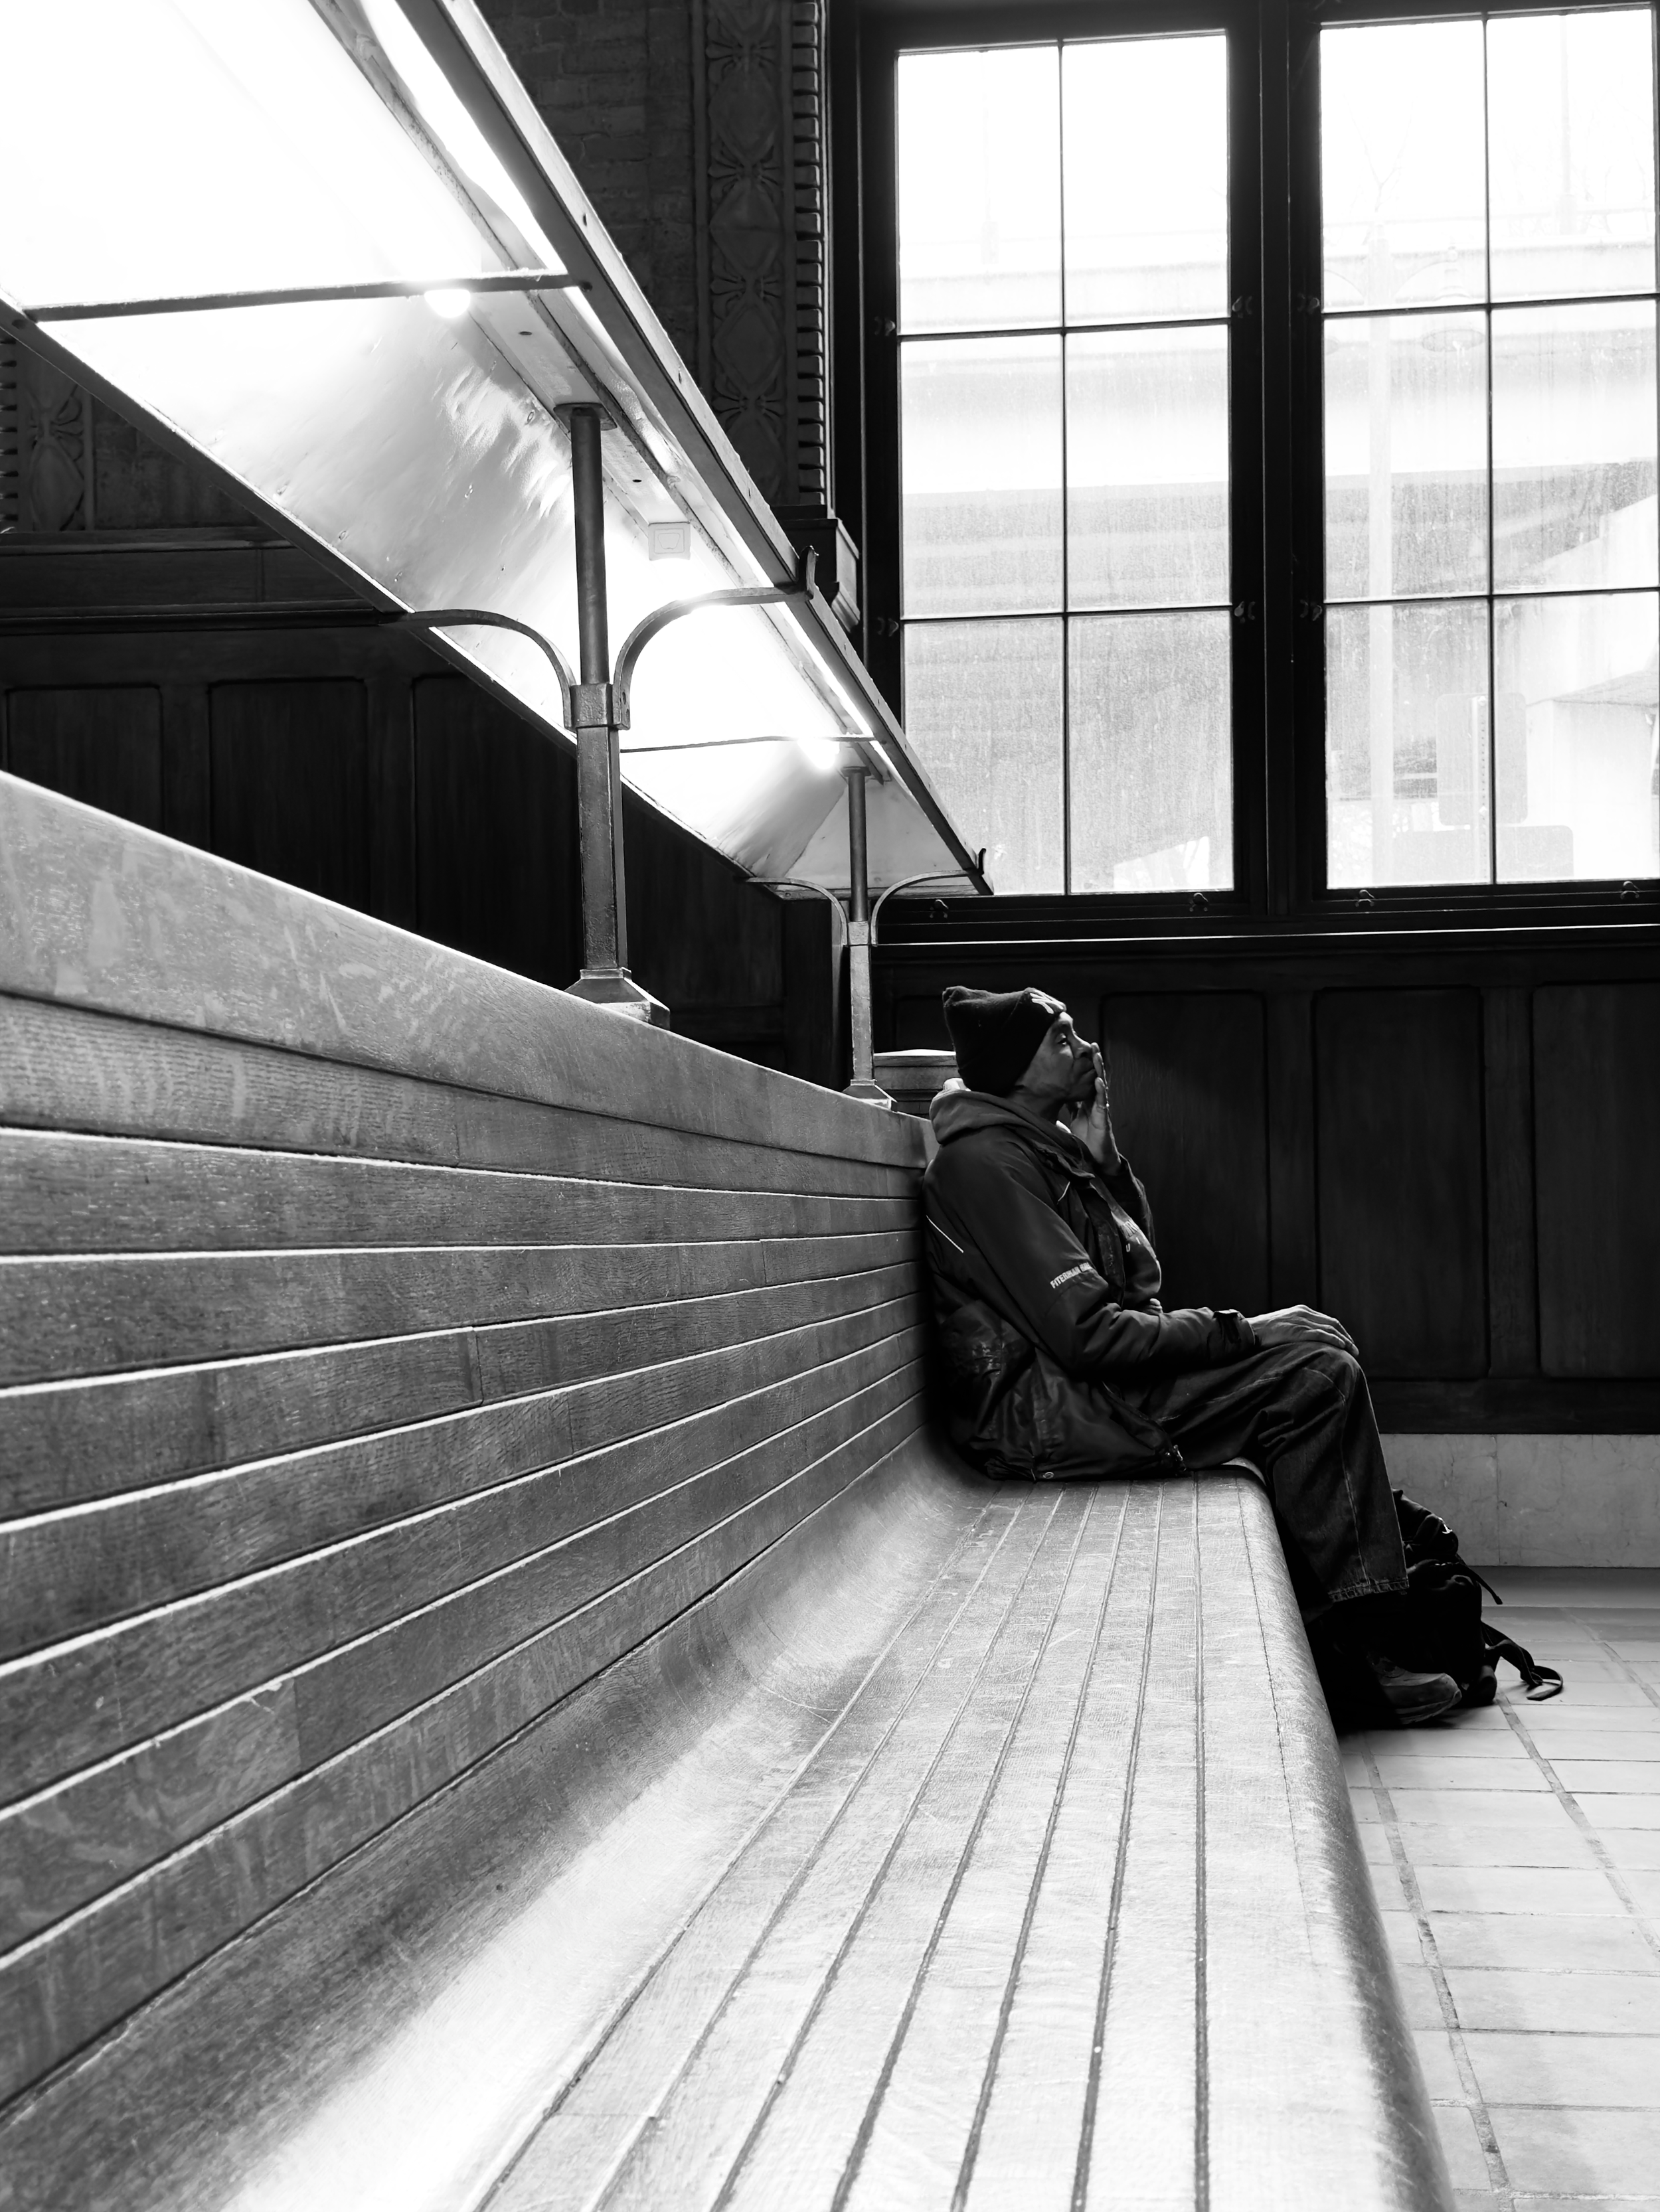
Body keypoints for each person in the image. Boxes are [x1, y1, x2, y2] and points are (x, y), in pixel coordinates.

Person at [924, 983, 1459, 1725]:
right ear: (1016, 1070)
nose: (1087, 1049)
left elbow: (1134, 1279)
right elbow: (1093, 1335)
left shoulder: (1036, 1148)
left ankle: (1349, 1633)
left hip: (1086, 1392)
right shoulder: (988, 1165)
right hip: (1049, 1415)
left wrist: (1105, 1163)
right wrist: (1243, 1329)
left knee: (1317, 1343)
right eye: (1063, 1038)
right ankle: (1355, 1654)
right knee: (1316, 1375)